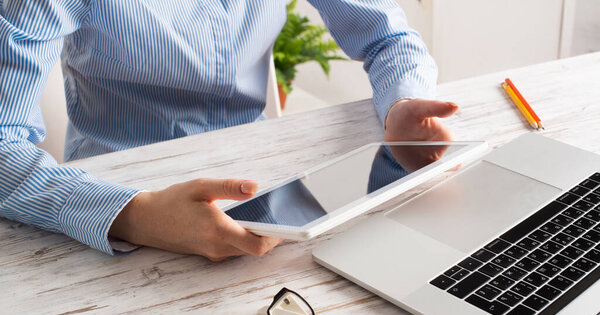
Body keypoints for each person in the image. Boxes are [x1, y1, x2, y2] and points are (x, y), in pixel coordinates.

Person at [0, 0, 457, 261]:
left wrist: (400, 103)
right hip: (114, 201)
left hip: (263, 190)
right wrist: (132, 215)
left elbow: (388, 37)